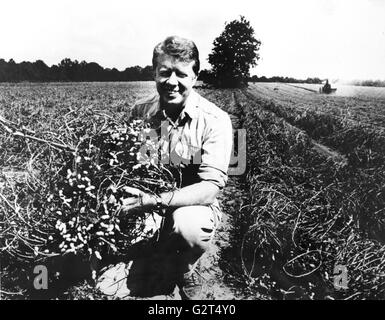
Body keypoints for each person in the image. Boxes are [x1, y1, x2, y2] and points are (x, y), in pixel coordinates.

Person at [121, 35, 233, 300]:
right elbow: (133, 167)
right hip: (149, 199)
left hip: (194, 206)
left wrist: (152, 201)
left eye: (181, 74)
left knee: (188, 227)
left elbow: (208, 189)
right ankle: (155, 259)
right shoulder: (141, 113)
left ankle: (184, 269)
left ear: (195, 76)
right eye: (164, 73)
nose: (172, 82)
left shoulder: (215, 120)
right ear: (154, 74)